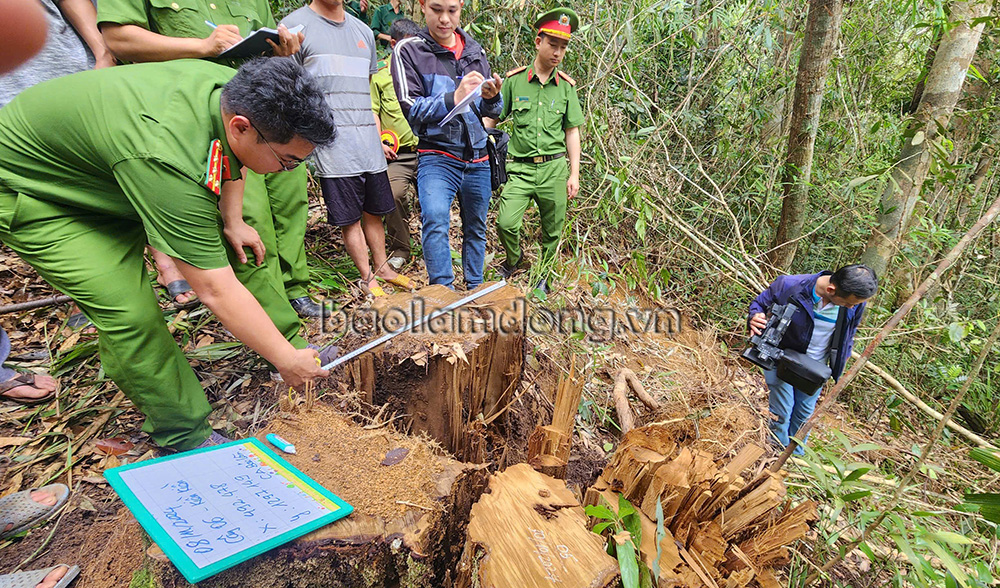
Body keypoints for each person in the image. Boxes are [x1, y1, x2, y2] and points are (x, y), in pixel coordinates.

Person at [0, 58, 336, 452]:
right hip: (45, 196)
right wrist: (282, 359)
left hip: (113, 168)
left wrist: (232, 218)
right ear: (242, 127)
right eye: (287, 161)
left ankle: (292, 348)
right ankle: (183, 431)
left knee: (239, 247)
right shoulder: (167, 155)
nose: (287, 170)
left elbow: (230, 155)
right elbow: (214, 289)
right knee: (128, 311)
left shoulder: (233, 92)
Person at [97, 0, 325, 318]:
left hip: (273, 117)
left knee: (290, 206)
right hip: (210, 122)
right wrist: (203, 46)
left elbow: (266, 52)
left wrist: (282, 51)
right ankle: (275, 323)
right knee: (248, 220)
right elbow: (119, 40)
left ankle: (295, 290)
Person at [282, 0, 413, 297]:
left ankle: (383, 267)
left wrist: (376, 136)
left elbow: (364, 88)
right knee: (349, 216)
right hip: (332, 143)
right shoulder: (293, 28)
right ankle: (368, 278)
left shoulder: (364, 31)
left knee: (373, 211)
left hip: (367, 140)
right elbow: (290, 89)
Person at [392, 0, 503, 290]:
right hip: (437, 155)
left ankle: (475, 288)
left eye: (452, 11)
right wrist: (453, 97)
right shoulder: (410, 50)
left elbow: (487, 112)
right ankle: (443, 292)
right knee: (436, 220)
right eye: (436, 9)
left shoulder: (474, 50)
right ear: (422, 6)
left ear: (461, 7)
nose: (444, 19)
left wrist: (491, 98)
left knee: (476, 227)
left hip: (477, 156)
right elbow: (411, 108)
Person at [485, 8, 583, 293]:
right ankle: (515, 259)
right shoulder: (515, 82)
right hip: (521, 169)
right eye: (553, 44)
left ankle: (543, 276)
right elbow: (492, 116)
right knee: (506, 222)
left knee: (552, 231)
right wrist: (478, 136)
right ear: (538, 41)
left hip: (554, 169)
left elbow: (572, 131)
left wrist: (574, 173)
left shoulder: (566, 88)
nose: (558, 52)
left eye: (563, 47)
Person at [747, 264, 877, 454]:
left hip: (815, 367)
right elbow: (759, 303)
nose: (852, 307)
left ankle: (794, 456)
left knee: (803, 415)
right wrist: (755, 315)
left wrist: (843, 356)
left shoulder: (854, 303)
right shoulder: (791, 285)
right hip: (780, 357)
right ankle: (774, 452)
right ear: (831, 290)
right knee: (782, 410)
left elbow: (850, 331)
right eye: (850, 303)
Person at [372, 18, 422, 269]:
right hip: (397, 154)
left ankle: (435, 244)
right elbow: (372, 111)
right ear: (393, 45)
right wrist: (377, 142)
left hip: (427, 151)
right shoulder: (380, 76)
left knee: (436, 198)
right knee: (393, 195)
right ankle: (401, 247)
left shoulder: (424, 70)